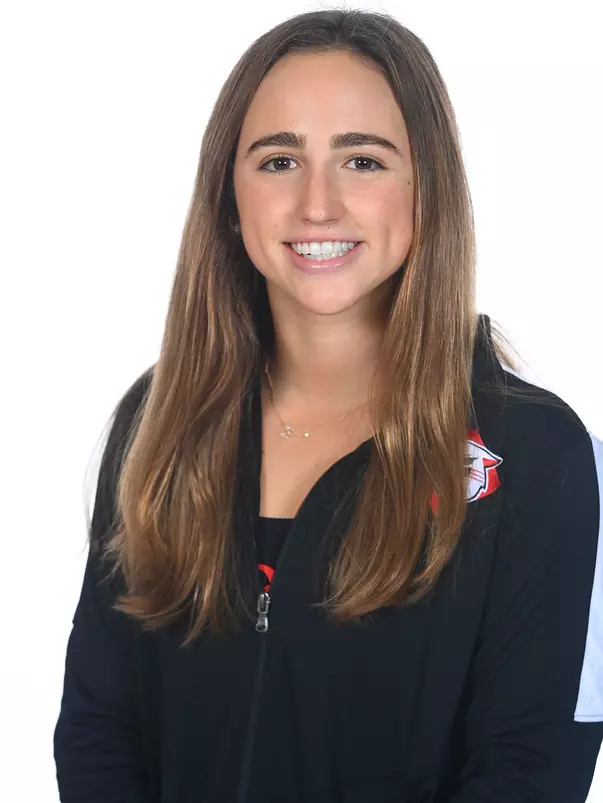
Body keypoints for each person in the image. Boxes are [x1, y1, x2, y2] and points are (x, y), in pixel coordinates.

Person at [53, 8, 603, 802]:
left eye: (363, 161)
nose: (318, 204)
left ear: (426, 185)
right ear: (228, 196)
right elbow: (99, 726)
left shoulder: (536, 454)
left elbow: (530, 766)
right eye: (278, 160)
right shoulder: (159, 422)